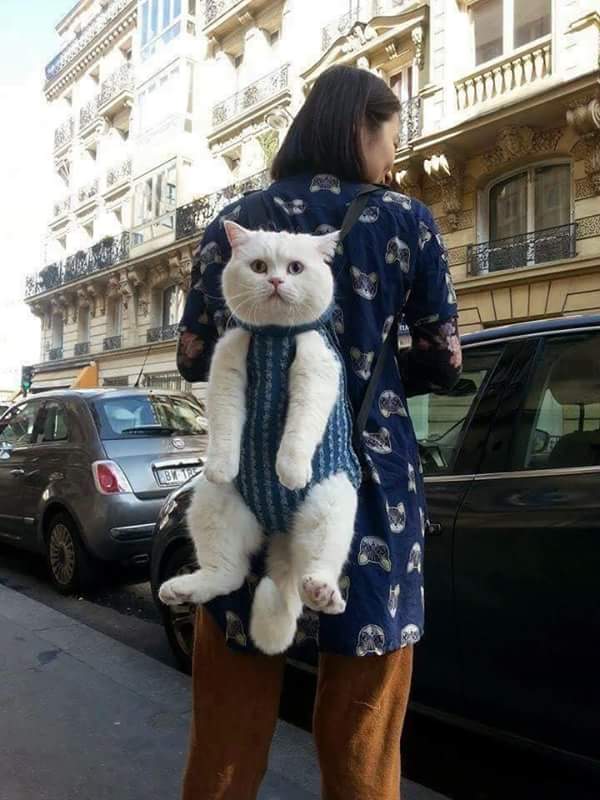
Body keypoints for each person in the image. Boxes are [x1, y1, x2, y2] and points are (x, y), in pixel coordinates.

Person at [176, 64, 462, 800]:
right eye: (391, 138)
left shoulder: (236, 223)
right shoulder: (406, 221)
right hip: (369, 489)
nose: (392, 158)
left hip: (248, 483)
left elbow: (194, 357)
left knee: (228, 723)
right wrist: (371, 370)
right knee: (364, 729)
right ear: (362, 128)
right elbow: (444, 358)